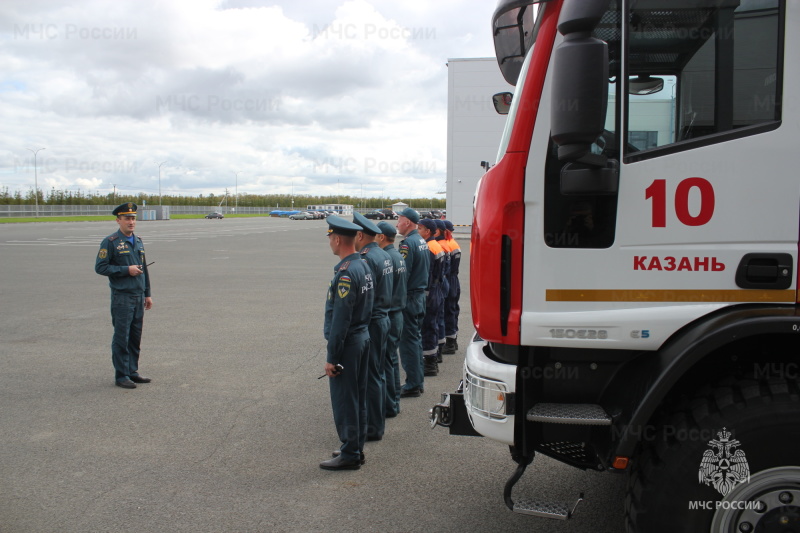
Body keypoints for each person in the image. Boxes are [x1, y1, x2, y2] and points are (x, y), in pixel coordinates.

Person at [320, 216, 374, 471]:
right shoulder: (362, 265)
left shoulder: (346, 273)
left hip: (349, 343)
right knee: (359, 397)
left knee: (345, 401)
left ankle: (350, 453)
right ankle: (355, 446)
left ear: (338, 239)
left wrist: (332, 357)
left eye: (330, 237)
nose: (330, 242)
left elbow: (340, 320)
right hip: (362, 337)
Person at [95, 203, 153, 389]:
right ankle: (121, 375)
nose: (131, 222)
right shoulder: (111, 242)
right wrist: (125, 270)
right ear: (118, 220)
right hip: (122, 297)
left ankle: (132, 371)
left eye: (133, 218)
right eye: (127, 218)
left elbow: (144, 271)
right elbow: (101, 267)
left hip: (138, 296)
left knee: (135, 337)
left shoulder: (139, 241)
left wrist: (147, 294)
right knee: (122, 337)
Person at [352, 212, 392, 442]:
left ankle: (374, 427)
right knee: (379, 371)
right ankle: (380, 417)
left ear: (359, 235)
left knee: (371, 375)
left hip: (373, 321)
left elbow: (364, 296)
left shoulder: (367, 257)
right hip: (383, 316)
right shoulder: (382, 254)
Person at [396, 208, 429, 398]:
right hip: (419, 296)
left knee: (408, 343)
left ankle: (413, 384)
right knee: (415, 341)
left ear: (407, 222)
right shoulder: (421, 241)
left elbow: (403, 274)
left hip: (409, 298)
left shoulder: (408, 244)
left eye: (399, 220)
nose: (397, 224)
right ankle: (417, 380)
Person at [376, 221, 407, 418]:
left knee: (387, 362)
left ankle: (390, 404)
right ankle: (393, 400)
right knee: (392, 360)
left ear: (381, 237)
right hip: (398, 312)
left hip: (391, 313)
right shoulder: (397, 255)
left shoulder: (387, 258)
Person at [417, 218, 445, 377]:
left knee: (427, 327)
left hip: (430, 291)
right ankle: (434, 356)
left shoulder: (429, 248)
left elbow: (426, 275)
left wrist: (424, 295)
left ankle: (429, 364)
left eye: (420, 229)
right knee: (434, 324)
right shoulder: (436, 246)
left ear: (428, 232)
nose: (418, 232)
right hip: (438, 288)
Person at [442, 220, 461, 354]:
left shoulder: (448, 245)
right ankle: (452, 340)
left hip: (450, 279)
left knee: (449, 311)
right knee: (452, 310)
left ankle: (450, 342)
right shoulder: (453, 244)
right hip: (454, 280)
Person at [433, 219, 451, 363]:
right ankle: (440, 348)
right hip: (444, 281)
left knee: (434, 319)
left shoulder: (438, 246)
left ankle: (436, 351)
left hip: (438, 284)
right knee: (441, 317)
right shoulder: (446, 245)